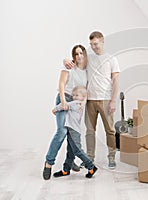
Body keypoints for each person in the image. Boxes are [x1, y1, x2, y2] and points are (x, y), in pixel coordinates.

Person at [64, 31, 120, 169]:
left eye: (95, 44)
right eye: (91, 44)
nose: (93, 47)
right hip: (90, 101)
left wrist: (113, 101)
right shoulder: (89, 59)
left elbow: (115, 81)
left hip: (106, 99)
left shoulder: (111, 59)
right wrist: (65, 61)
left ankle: (111, 157)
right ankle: (90, 158)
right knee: (90, 131)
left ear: (102, 41)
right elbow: (75, 61)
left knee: (110, 131)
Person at [43, 44, 88, 180]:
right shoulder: (68, 66)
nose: (79, 56)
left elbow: (86, 89)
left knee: (72, 134)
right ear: (73, 56)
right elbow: (61, 84)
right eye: (76, 54)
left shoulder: (86, 70)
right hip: (65, 99)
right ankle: (49, 163)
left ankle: (70, 161)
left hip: (76, 104)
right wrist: (62, 101)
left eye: (81, 53)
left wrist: (83, 103)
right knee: (62, 132)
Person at [52, 86, 98, 178]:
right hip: (71, 129)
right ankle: (66, 170)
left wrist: (55, 109)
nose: (74, 97)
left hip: (73, 131)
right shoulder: (80, 103)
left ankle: (91, 166)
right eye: (73, 95)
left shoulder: (76, 103)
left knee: (77, 150)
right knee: (70, 152)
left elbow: (64, 106)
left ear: (83, 97)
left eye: (77, 95)